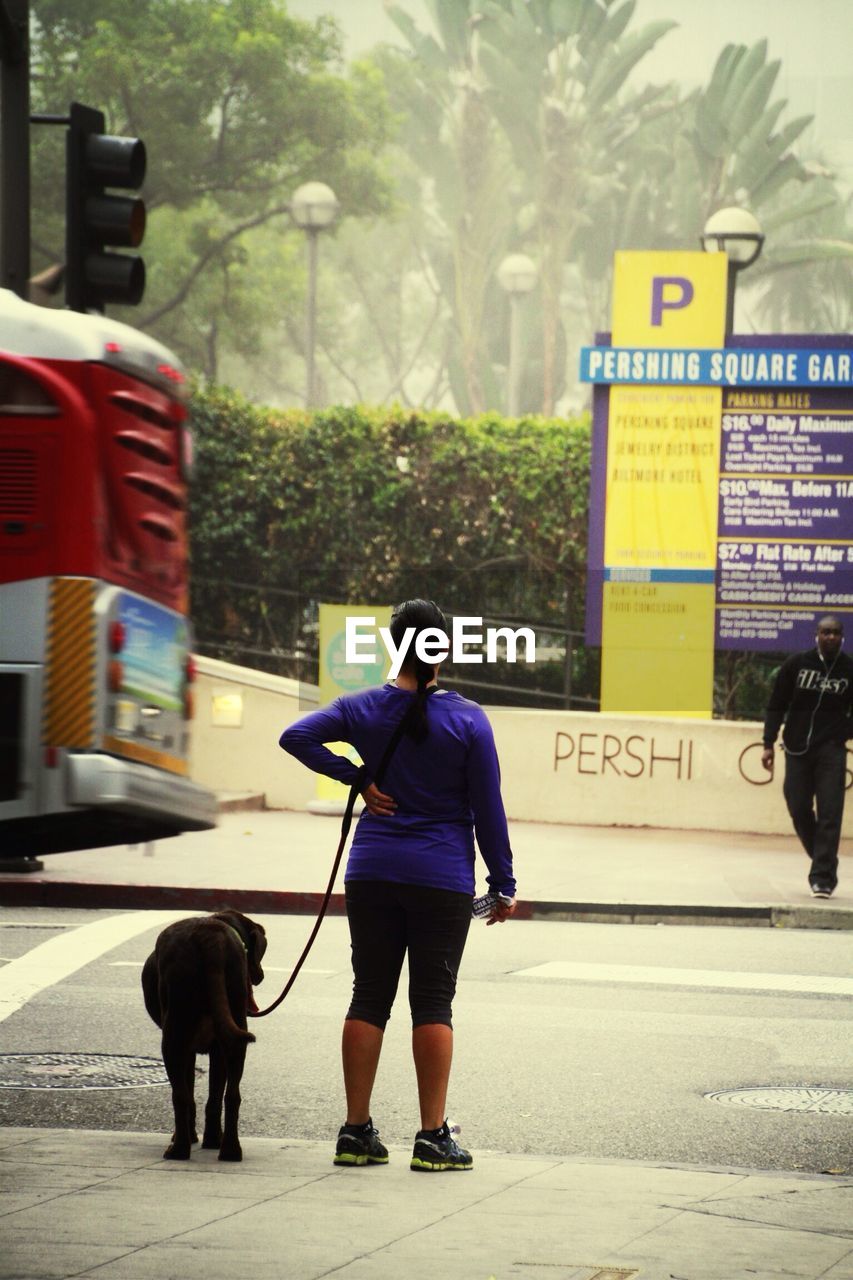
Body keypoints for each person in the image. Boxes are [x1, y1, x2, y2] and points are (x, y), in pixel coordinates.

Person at [279, 599, 516, 1172]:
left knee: (369, 994)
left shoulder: (360, 708)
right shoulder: (468, 719)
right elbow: (489, 810)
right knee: (432, 1001)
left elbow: (296, 736)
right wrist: (503, 883)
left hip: (372, 871)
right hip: (441, 878)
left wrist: (358, 778)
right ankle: (432, 1136)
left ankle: (355, 1131)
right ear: (443, 651)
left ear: (395, 648)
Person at [761, 614, 853, 898]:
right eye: (825, 632)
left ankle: (822, 878)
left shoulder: (849, 670)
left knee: (830, 813)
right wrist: (768, 742)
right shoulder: (797, 664)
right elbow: (777, 704)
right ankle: (822, 859)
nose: (830, 637)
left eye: (835, 633)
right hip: (797, 747)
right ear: (816, 634)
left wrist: (842, 733)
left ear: (842, 637)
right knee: (798, 806)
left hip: (831, 750)